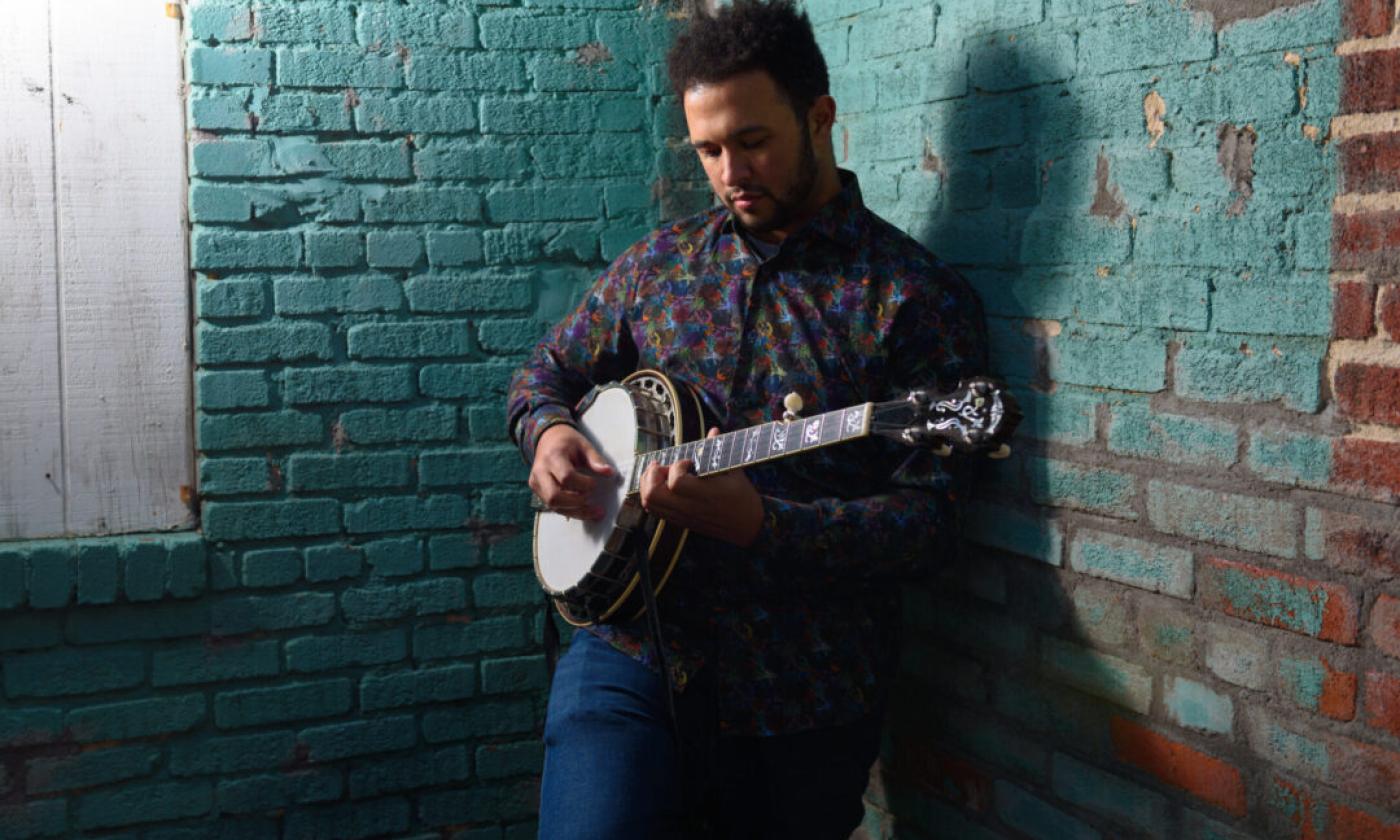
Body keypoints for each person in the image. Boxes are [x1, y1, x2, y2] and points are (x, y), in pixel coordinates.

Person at [505, 1, 987, 836]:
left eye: (753, 141)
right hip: (629, 654)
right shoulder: (660, 264)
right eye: (710, 150)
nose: (732, 171)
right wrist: (547, 433)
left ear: (820, 116)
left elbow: (931, 526)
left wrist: (763, 525)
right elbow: (545, 371)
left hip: (803, 695)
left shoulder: (913, 298)